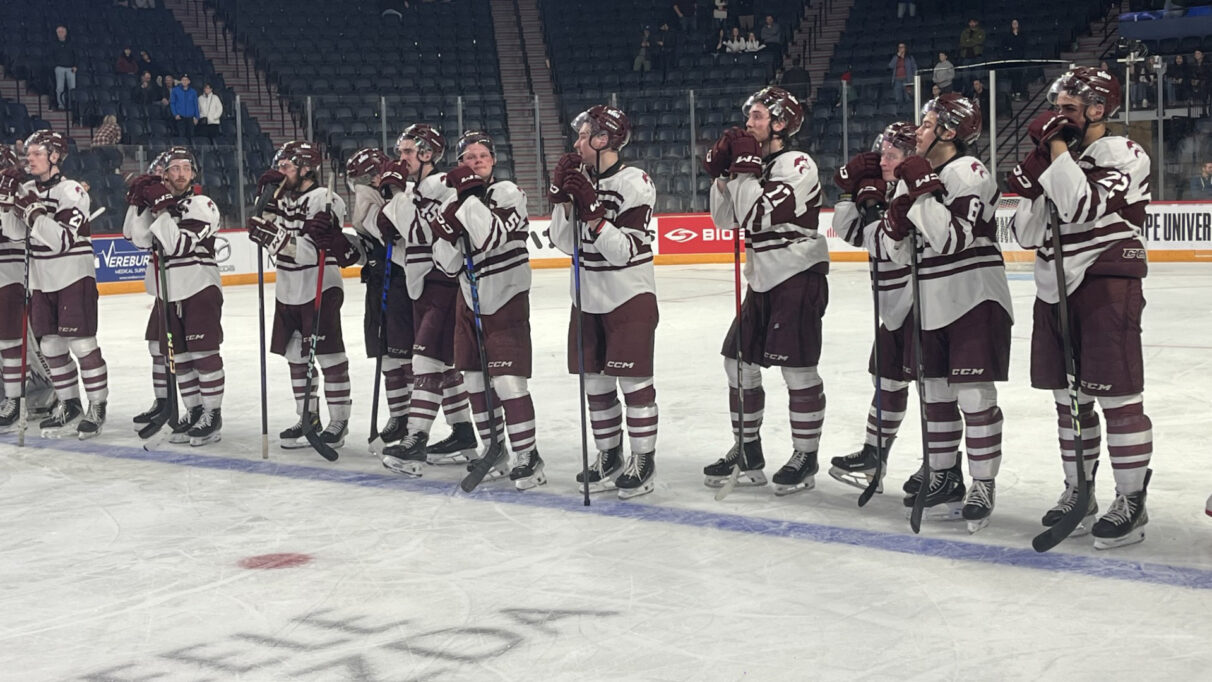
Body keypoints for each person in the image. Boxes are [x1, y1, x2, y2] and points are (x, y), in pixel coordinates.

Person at [1006, 67, 1154, 549]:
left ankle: (1131, 500)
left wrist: (1055, 153)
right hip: (1053, 286)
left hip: (1105, 282)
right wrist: (1033, 185)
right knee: (1067, 401)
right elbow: (1027, 236)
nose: (1057, 116)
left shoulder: (1124, 153)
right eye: (1055, 108)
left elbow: (1080, 206)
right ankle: (1081, 489)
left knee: (1117, 398)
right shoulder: (1060, 158)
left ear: (1098, 109)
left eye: (1069, 108)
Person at [877, 93, 1012, 530]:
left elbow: (953, 239)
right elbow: (897, 253)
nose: (918, 131)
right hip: (931, 298)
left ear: (950, 131)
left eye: (928, 123)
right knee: (934, 394)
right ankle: (943, 475)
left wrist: (917, 195)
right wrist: (896, 220)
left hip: (973, 295)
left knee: (974, 395)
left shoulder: (968, 171)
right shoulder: (919, 174)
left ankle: (983, 483)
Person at [700, 86, 828, 496]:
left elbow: (757, 213)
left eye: (757, 117)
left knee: (797, 369)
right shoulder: (754, 165)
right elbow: (725, 220)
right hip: (763, 279)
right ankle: (748, 450)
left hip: (797, 272)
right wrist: (725, 175)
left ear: (780, 123)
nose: (748, 123)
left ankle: (805, 456)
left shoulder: (797, 163)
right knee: (736, 363)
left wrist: (744, 169)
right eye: (749, 116)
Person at [548, 105, 659, 499]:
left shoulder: (635, 182)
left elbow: (622, 252)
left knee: (633, 383)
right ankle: (608, 454)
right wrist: (564, 202)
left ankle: (643, 460)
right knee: (595, 383)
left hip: (628, 296)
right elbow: (562, 242)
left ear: (602, 139)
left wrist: (593, 214)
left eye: (582, 135)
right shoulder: (581, 179)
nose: (576, 143)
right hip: (587, 297)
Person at [430, 131, 544, 490]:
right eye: (467, 157)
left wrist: (465, 203)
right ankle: (495, 450)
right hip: (470, 299)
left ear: (493, 160)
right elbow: (447, 265)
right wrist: (448, 229)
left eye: (481, 156)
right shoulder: (455, 202)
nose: (475, 161)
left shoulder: (508, 192)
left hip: (506, 296)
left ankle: (529, 455)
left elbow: (491, 236)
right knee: (475, 381)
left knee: (509, 382)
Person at [371, 126, 478, 472]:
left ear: (427, 154)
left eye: (407, 152)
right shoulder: (415, 190)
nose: (400, 159)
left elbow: (422, 233)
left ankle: (415, 439)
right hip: (419, 284)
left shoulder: (446, 187)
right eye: (400, 152)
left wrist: (397, 196)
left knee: (426, 363)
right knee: (443, 366)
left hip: (443, 283)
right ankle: (463, 432)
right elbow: (393, 233)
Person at [826, 122, 917, 494]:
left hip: (920, 301)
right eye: (882, 153)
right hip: (893, 305)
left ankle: (944, 467)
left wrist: (871, 206)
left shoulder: (916, 192)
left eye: (892, 156)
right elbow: (848, 234)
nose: (883, 161)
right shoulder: (887, 187)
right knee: (888, 378)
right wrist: (852, 193)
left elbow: (883, 242)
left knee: (937, 391)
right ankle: (874, 454)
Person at [246, 141, 354, 450]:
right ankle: (308, 418)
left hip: (320, 286)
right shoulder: (281, 197)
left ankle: (338, 422)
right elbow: (267, 234)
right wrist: (263, 202)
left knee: (330, 356)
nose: (280, 173)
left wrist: (273, 237)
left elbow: (309, 251)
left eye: (286, 167)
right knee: (296, 357)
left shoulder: (324, 198)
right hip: (288, 287)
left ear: (306, 168)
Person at [0, 131, 108, 437]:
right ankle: (69, 403)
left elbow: (60, 240)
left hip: (73, 275)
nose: (29, 159)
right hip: (41, 278)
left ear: (55, 156)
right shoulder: (28, 188)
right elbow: (15, 234)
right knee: (49, 346)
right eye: (28, 154)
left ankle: (97, 406)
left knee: (83, 344)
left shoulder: (71, 191)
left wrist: (30, 209)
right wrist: (8, 202)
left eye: (36, 154)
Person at [124, 147, 226, 445]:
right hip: (168, 292)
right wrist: (138, 201)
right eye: (174, 168)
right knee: (178, 357)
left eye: (185, 168)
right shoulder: (163, 205)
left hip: (198, 287)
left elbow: (176, 245)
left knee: (203, 355)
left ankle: (212, 415)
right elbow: (135, 236)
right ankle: (194, 411)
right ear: (164, 174)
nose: (180, 173)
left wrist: (161, 207)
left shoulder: (202, 204)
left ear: (193, 174)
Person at [51, 26, 77, 110]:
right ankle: (61, 105)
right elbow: (51, 56)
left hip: (71, 68)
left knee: (72, 88)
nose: (60, 33)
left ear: (65, 33)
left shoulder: (71, 43)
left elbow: (76, 55)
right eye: (58, 32)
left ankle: (71, 106)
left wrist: (75, 66)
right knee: (59, 88)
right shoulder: (53, 44)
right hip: (59, 68)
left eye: (62, 31)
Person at [1001, 19, 1027, 101]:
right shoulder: (1008, 35)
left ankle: (1018, 93)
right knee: (1012, 77)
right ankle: (1012, 93)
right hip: (1011, 59)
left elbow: (1023, 45)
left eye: (1016, 23)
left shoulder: (1022, 35)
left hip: (1020, 59)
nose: (1015, 25)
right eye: (1013, 23)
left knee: (1019, 77)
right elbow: (1004, 46)